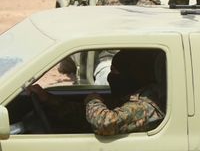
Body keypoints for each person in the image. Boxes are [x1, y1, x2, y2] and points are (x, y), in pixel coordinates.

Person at [28, 49, 165, 136]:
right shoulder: (132, 96)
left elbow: (105, 123)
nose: (110, 77)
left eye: (115, 72)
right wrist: (49, 100)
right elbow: (84, 115)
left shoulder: (145, 105)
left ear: (131, 75)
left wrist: (93, 101)